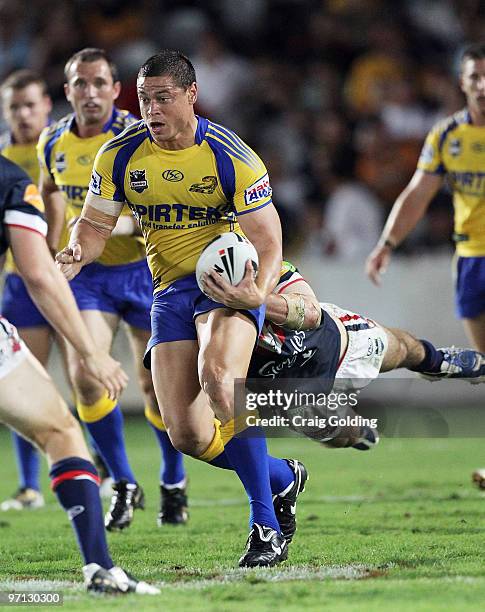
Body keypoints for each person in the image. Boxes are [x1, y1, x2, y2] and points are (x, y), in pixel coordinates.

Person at [57, 49, 306, 568]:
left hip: (228, 284)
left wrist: (256, 294)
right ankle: (283, 477)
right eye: (145, 99)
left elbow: (268, 237)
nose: (152, 109)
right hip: (169, 292)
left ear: (191, 95)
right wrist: (79, 250)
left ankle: (265, 525)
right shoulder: (120, 155)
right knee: (188, 434)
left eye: (163, 98)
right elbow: (95, 226)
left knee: (221, 378)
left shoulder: (231, 155)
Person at [38, 48, 187, 530]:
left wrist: (106, 230)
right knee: (84, 372)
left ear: (114, 87)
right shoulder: (52, 142)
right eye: (80, 84)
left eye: (100, 83)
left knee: (155, 384)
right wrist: (52, 250)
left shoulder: (138, 135)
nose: (91, 92)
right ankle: (123, 481)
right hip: (90, 278)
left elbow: (163, 205)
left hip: (148, 271)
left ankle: (173, 479)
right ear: (68, 91)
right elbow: (52, 198)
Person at [0, 155, 158, 594]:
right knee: (62, 433)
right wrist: (91, 353)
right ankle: (100, 569)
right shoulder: (11, 181)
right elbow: (39, 275)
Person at [246, 260, 485, 444]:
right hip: (291, 389)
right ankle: (361, 431)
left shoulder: (269, 267)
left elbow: (311, 313)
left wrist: (254, 300)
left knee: (400, 348)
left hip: (334, 342)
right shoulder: (211, 321)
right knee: (343, 436)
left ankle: (434, 361)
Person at [366, 42, 485, 353]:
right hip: (471, 254)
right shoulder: (446, 136)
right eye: (475, 77)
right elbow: (418, 193)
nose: (482, 86)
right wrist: (387, 243)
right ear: (462, 82)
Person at [0, 70, 53, 511]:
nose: (23, 113)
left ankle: (114, 476)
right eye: (14, 106)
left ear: (47, 105)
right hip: (22, 280)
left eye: (30, 104)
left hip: (72, 277)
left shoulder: (61, 146)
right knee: (23, 376)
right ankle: (29, 486)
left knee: (89, 379)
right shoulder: (2, 156)